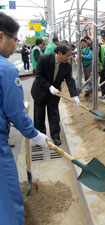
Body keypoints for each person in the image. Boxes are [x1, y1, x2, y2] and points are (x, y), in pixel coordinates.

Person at [0, 12, 49, 225]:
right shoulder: (5, 69)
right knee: (9, 208)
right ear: (1, 36)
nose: (15, 46)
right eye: (15, 39)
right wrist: (35, 134)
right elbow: (16, 113)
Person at [31, 44, 80, 146]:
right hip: (40, 91)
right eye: (67, 55)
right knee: (39, 115)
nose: (69, 58)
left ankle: (55, 136)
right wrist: (49, 86)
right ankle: (41, 136)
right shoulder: (44, 59)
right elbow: (38, 75)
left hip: (54, 94)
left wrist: (74, 95)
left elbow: (70, 80)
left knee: (54, 114)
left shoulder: (67, 66)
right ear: (59, 53)